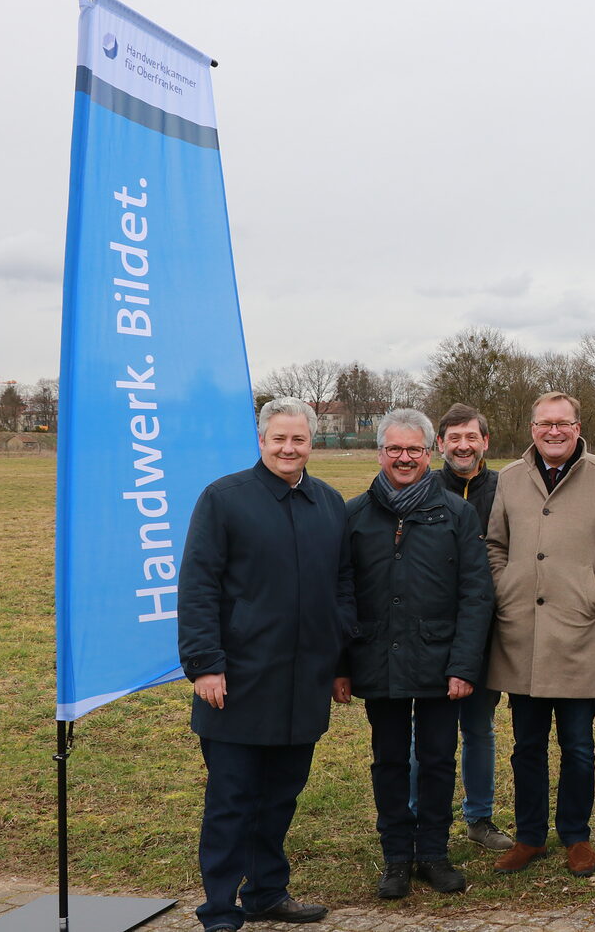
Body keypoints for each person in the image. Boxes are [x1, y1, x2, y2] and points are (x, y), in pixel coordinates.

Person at [178, 397, 355, 930]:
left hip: (304, 682)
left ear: (312, 442)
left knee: (281, 797)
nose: (288, 448)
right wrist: (206, 665)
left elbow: (342, 585)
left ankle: (267, 892)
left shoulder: (328, 503)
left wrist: (339, 656)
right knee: (232, 800)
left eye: (298, 439)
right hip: (236, 683)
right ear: (261, 440)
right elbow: (198, 586)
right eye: (278, 439)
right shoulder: (223, 499)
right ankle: (219, 907)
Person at [337, 408, 494, 899]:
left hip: (439, 662)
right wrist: (342, 665)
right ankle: (396, 858)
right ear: (380, 452)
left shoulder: (456, 513)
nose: (404, 458)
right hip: (377, 660)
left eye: (414, 450)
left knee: (437, 760)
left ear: (430, 453)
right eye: (394, 449)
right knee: (387, 761)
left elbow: (476, 593)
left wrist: (465, 665)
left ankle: (433, 853)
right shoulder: (355, 515)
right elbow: (339, 593)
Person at [486, 391, 595, 878]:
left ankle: (576, 835)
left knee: (578, 744)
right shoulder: (509, 478)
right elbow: (495, 544)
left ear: (577, 426)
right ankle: (529, 836)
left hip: (576, 631)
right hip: (521, 633)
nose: (554, 431)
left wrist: (594, 597)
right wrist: (505, 590)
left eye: (563, 423)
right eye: (545, 423)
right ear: (532, 428)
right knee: (526, 745)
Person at [431, 402, 513, 852]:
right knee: (423, 732)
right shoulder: (421, 487)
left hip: (486, 632)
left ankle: (479, 817)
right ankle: (422, 815)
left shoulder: (507, 488)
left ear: (485, 442)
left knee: (479, 729)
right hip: (433, 633)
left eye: (472, 437)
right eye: (454, 438)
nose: (464, 446)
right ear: (440, 444)